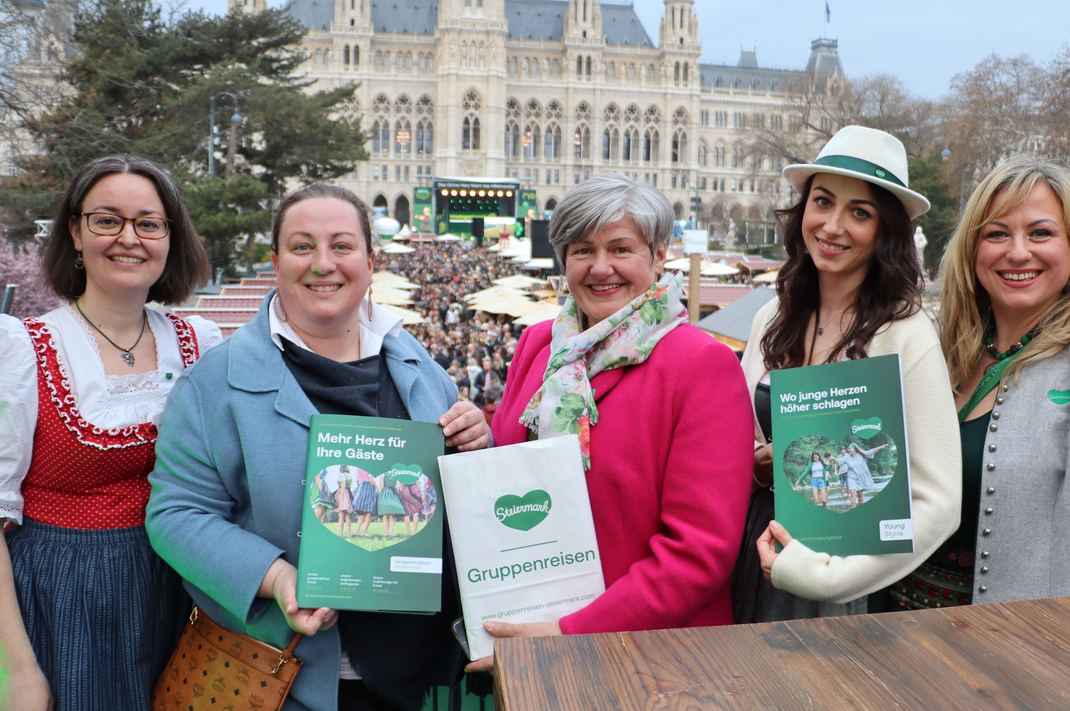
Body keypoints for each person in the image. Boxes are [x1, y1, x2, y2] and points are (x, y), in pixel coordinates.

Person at [146, 183, 490, 711]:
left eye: (342, 246)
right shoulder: (215, 381)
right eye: (302, 246)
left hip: (424, 675)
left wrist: (473, 443)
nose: (323, 263)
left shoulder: (416, 363)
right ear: (277, 261)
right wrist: (277, 577)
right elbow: (176, 514)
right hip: (288, 677)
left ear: (371, 261)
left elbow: (449, 495)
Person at [472, 173, 755, 670]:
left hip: (650, 658)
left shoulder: (700, 365)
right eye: (582, 250)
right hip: (529, 642)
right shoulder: (540, 343)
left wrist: (566, 633)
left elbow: (698, 553)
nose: (600, 268)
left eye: (620, 249)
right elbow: (509, 473)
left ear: (658, 255)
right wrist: (476, 441)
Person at [0, 154, 217, 710]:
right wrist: (22, 670)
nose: (129, 238)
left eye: (149, 222)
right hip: (63, 598)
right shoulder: (25, 350)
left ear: (171, 237)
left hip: (182, 595)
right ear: (75, 231)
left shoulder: (203, 342)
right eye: (107, 219)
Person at [740, 126, 961, 620]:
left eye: (859, 212)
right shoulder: (769, 319)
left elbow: (940, 502)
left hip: (843, 579)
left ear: (886, 231)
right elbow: (738, 440)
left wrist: (827, 579)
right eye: (823, 201)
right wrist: (757, 461)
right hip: (755, 554)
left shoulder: (906, 335)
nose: (833, 226)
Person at [894, 155, 1070, 610]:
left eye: (1040, 233)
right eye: (997, 233)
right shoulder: (935, 354)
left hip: (1018, 661)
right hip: (890, 635)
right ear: (972, 250)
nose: (1018, 252)